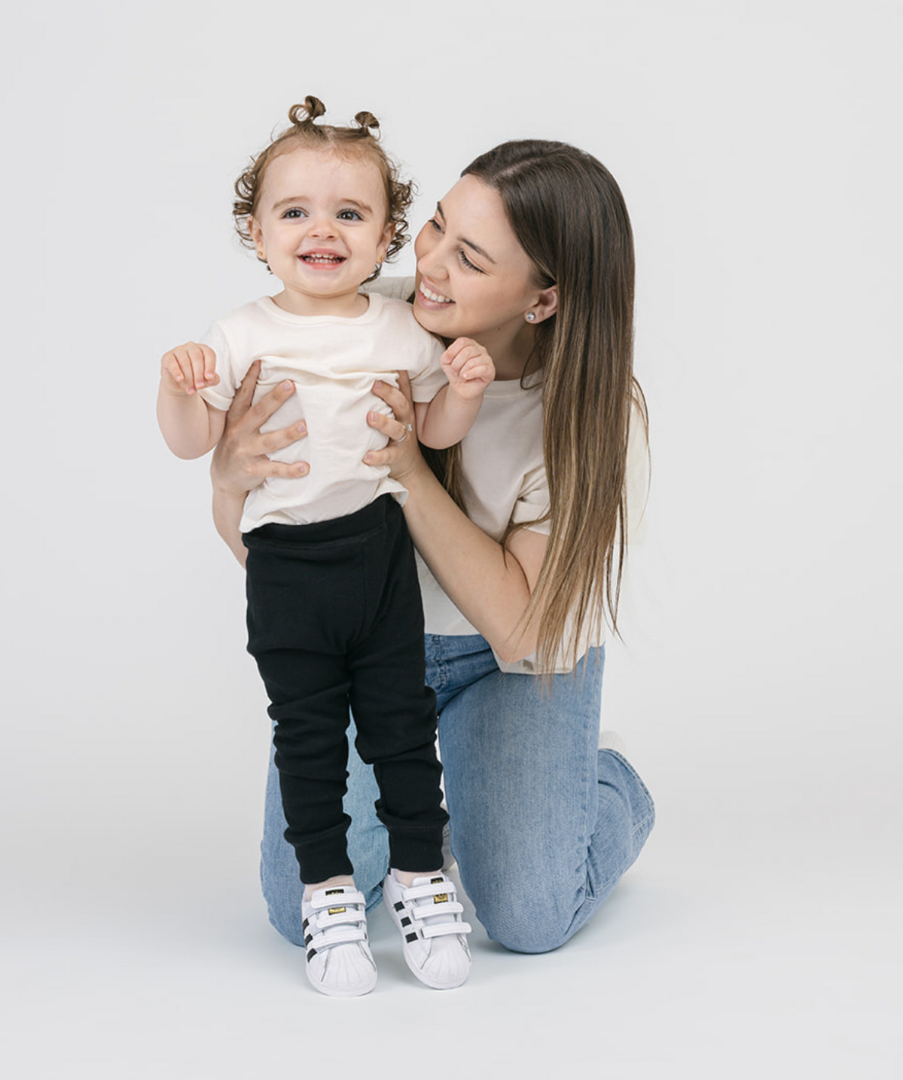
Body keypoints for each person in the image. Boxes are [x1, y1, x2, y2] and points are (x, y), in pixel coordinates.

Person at [210, 137, 656, 963]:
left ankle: (603, 783)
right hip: (368, 649)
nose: (430, 265)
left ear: (542, 301)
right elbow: (268, 551)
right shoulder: (357, 318)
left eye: (470, 258)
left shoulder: (591, 416)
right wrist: (228, 482)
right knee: (295, 904)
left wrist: (407, 466)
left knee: (528, 917)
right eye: (436, 228)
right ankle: (454, 813)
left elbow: (521, 630)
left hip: (506, 661)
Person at [157, 98, 487, 996]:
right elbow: (192, 444)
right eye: (294, 212)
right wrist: (180, 388)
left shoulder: (399, 328)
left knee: (399, 728)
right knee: (307, 738)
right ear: (256, 230)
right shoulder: (240, 333)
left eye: (350, 214)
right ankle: (329, 893)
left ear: (385, 238)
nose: (322, 231)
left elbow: (434, 431)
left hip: (379, 554)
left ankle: (422, 875)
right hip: (285, 566)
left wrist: (460, 386)